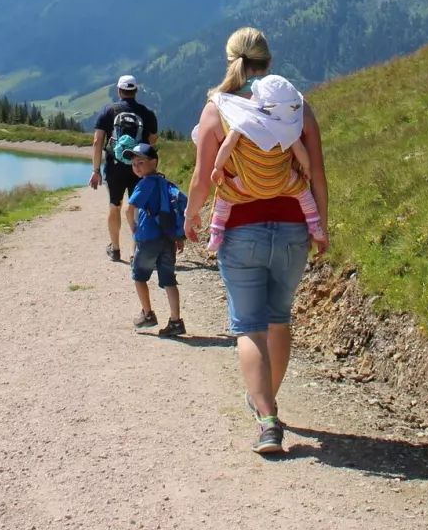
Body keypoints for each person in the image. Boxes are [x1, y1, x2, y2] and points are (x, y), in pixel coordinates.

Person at [186, 27, 328, 455]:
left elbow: (200, 177)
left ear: (229, 60)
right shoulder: (296, 107)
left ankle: (266, 418)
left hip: (240, 230)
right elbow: (317, 173)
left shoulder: (217, 109)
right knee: (278, 317)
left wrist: (191, 215)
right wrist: (322, 225)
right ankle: (268, 399)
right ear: (269, 62)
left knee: (249, 326)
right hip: (292, 229)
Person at [207, 75, 326, 252]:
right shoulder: (288, 126)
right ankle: (315, 224)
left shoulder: (242, 121)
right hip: (283, 182)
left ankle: (216, 233)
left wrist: (217, 168)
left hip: (248, 183)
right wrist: (306, 168)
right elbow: (301, 151)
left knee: (224, 197)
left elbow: (227, 145)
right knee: (303, 193)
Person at [89, 74, 158, 263]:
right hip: (140, 166)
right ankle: (135, 252)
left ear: (119, 91)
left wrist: (96, 171)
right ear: (135, 91)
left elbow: (97, 142)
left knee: (115, 205)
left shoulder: (108, 110)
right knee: (136, 207)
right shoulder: (147, 113)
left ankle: (116, 249)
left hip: (115, 165)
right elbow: (152, 142)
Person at [125, 142, 187, 337]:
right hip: (167, 238)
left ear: (153, 162)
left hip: (148, 238)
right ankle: (176, 322)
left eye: (140, 162)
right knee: (169, 280)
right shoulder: (166, 183)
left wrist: (134, 228)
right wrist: (178, 237)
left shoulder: (145, 183)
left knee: (139, 275)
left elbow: (129, 209)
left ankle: (148, 313)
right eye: (134, 163)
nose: (136, 167)